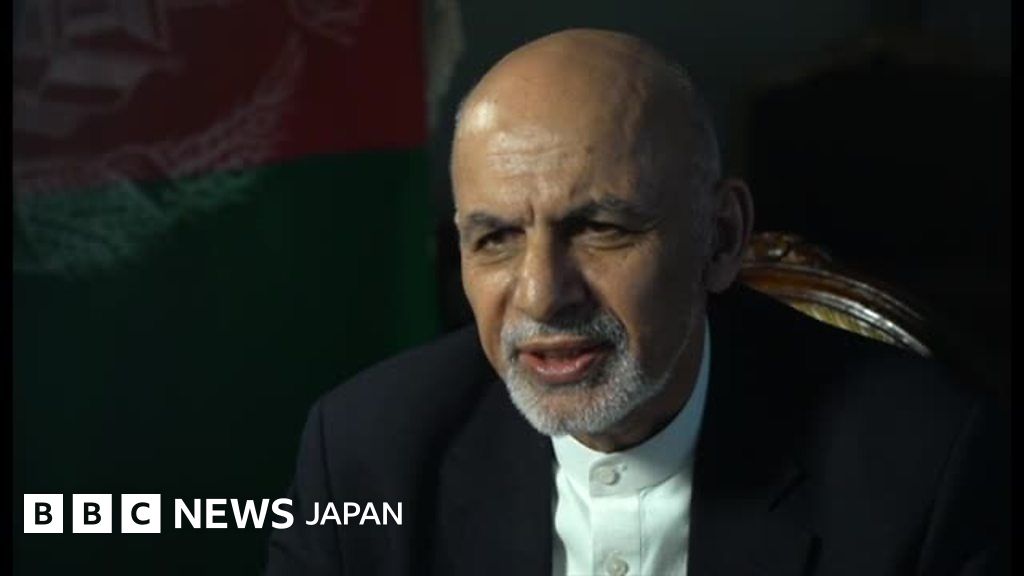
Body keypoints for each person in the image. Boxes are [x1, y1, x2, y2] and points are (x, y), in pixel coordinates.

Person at [265, 29, 1008, 576]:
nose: (542, 295)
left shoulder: (924, 463)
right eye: (496, 239)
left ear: (721, 238)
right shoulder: (366, 451)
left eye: (600, 228)